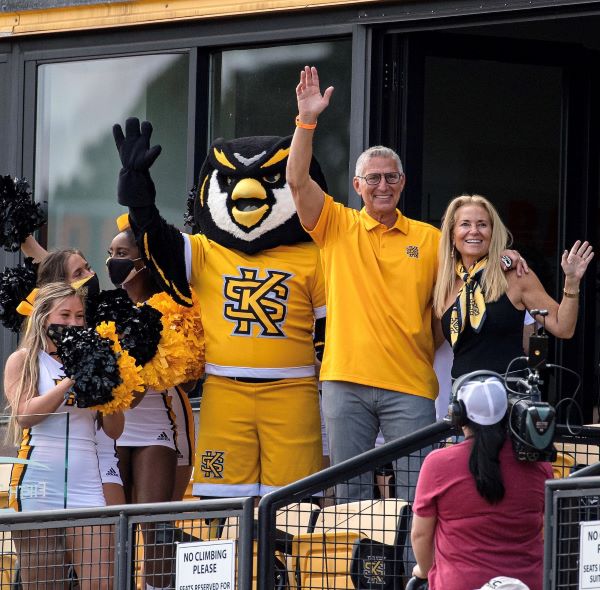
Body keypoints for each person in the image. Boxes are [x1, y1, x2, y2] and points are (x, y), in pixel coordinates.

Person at [112, 126, 326, 499]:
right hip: (225, 393)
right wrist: (138, 197)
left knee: (293, 503)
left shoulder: (315, 257)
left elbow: (329, 330)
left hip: (294, 392)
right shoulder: (206, 251)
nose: (247, 192)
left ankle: (278, 561)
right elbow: (155, 239)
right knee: (222, 502)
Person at [4, 282, 124, 589]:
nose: (73, 323)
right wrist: (72, 378)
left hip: (88, 483)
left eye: (80, 316)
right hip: (40, 482)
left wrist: (108, 387)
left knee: (101, 582)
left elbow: (114, 430)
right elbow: (26, 414)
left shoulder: (95, 355)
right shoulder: (23, 359)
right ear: (44, 318)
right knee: (46, 584)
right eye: (65, 315)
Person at [410, 373, 553, 589]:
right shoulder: (539, 465)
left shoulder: (437, 464)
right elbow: (549, 530)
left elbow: (421, 534)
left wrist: (425, 569)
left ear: (458, 415)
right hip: (528, 583)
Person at [433, 194, 594, 378]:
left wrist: (572, 281)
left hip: (512, 393)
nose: (474, 231)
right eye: (465, 224)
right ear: (452, 236)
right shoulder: (445, 284)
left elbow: (563, 327)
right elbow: (429, 343)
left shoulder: (515, 276)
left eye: (482, 224)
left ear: (493, 233)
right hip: (463, 396)